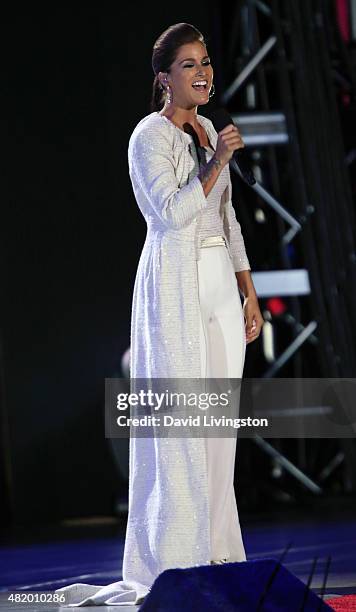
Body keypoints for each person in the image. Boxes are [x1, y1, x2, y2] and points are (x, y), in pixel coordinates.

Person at [55, 22, 264, 607]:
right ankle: (177, 559)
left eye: (207, 63)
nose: (204, 74)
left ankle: (222, 551)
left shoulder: (202, 131)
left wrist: (247, 289)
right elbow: (171, 214)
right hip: (176, 284)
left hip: (221, 282)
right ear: (164, 79)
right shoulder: (148, 136)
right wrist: (217, 158)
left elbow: (228, 219)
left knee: (221, 426)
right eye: (190, 65)